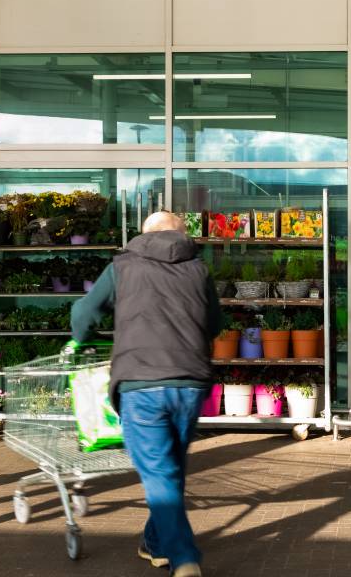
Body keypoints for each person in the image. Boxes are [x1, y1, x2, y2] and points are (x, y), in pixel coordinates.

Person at [71, 211, 221, 577]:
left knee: (158, 473)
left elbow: (85, 311)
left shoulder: (123, 266)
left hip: (141, 385)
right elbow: (214, 324)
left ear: (145, 234)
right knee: (170, 469)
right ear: (181, 235)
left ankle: (185, 559)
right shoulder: (199, 269)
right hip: (189, 383)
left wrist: (79, 340)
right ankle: (156, 543)